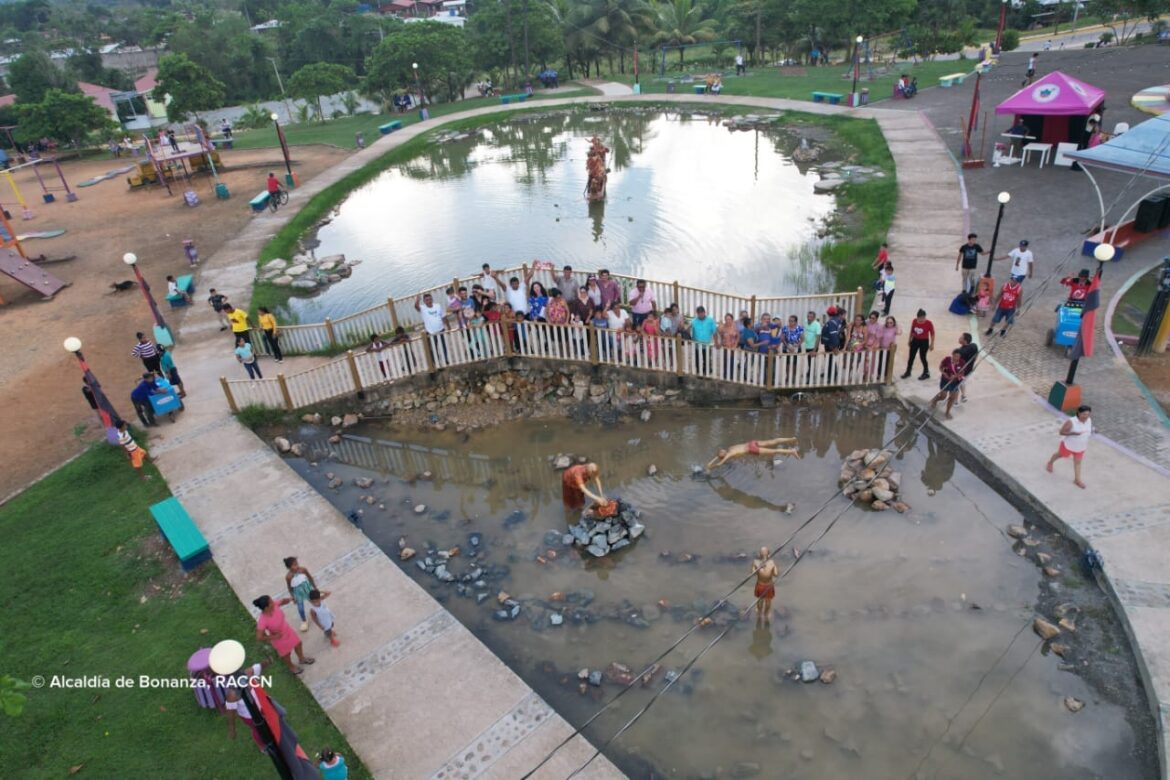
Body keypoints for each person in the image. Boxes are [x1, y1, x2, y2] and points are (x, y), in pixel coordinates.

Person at [253, 594, 315, 674]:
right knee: (286, 654)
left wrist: (291, 599)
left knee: (298, 644)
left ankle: (302, 659)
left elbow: (282, 601)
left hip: (288, 631)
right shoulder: (263, 621)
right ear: (266, 607)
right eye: (271, 602)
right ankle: (291, 667)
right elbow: (259, 637)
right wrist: (274, 636)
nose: (273, 602)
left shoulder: (274, 605)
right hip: (279, 639)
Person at [1046, 405, 1092, 489]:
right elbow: (1061, 432)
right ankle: (1050, 462)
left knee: (1078, 462)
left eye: (1088, 414)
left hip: (1081, 447)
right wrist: (1073, 433)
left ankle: (1077, 480)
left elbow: (1087, 429)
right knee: (1059, 455)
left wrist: (1094, 429)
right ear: (1078, 413)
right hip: (1068, 445)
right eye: (1084, 414)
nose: (1086, 416)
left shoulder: (1088, 420)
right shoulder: (1071, 421)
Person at [706, 437, 800, 470]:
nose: (721, 452)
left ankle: (791, 451)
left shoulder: (729, 454)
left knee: (774, 451)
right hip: (751, 443)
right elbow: (719, 456)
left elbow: (719, 464)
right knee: (772, 441)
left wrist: (711, 466)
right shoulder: (730, 448)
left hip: (751, 449)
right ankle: (791, 439)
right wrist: (713, 460)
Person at [283, 556, 317, 632]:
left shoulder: (303, 570)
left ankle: (318, 612)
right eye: (294, 565)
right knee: (300, 608)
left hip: (307, 589)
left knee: (314, 601)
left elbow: (310, 578)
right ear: (289, 568)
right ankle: (304, 621)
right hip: (298, 593)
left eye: (297, 564)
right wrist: (293, 596)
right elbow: (289, 588)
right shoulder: (288, 577)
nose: (297, 566)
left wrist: (315, 587)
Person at [930, 349, 965, 420]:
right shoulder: (947, 360)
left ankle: (947, 412)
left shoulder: (962, 362)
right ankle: (935, 400)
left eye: (958, 357)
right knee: (943, 396)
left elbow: (962, 373)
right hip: (945, 380)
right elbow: (940, 368)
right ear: (952, 354)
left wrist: (956, 376)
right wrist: (944, 373)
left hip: (955, 382)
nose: (956, 358)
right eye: (955, 356)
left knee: (952, 398)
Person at [901, 309, 934, 380]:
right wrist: (909, 339)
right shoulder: (914, 321)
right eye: (920, 318)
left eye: (923, 317)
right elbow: (912, 331)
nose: (922, 319)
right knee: (911, 357)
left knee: (923, 357)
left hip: (924, 341)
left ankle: (926, 372)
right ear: (917, 317)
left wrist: (932, 344)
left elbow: (932, 333)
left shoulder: (929, 323)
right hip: (915, 340)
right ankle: (908, 371)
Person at [752, 547, 779, 622]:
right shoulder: (771, 562)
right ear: (769, 554)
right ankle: (764, 613)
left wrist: (758, 569)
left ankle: (762, 613)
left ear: (759, 554)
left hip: (764, 585)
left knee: (761, 600)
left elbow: (752, 573)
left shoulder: (756, 562)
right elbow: (776, 574)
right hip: (766, 585)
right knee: (767, 601)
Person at [957, 332, 978, 403]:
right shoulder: (974, 346)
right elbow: (976, 356)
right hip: (969, 370)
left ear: (965, 341)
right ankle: (963, 396)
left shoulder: (961, 352)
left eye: (960, 338)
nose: (959, 338)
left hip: (962, 371)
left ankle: (955, 401)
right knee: (962, 382)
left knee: (956, 385)